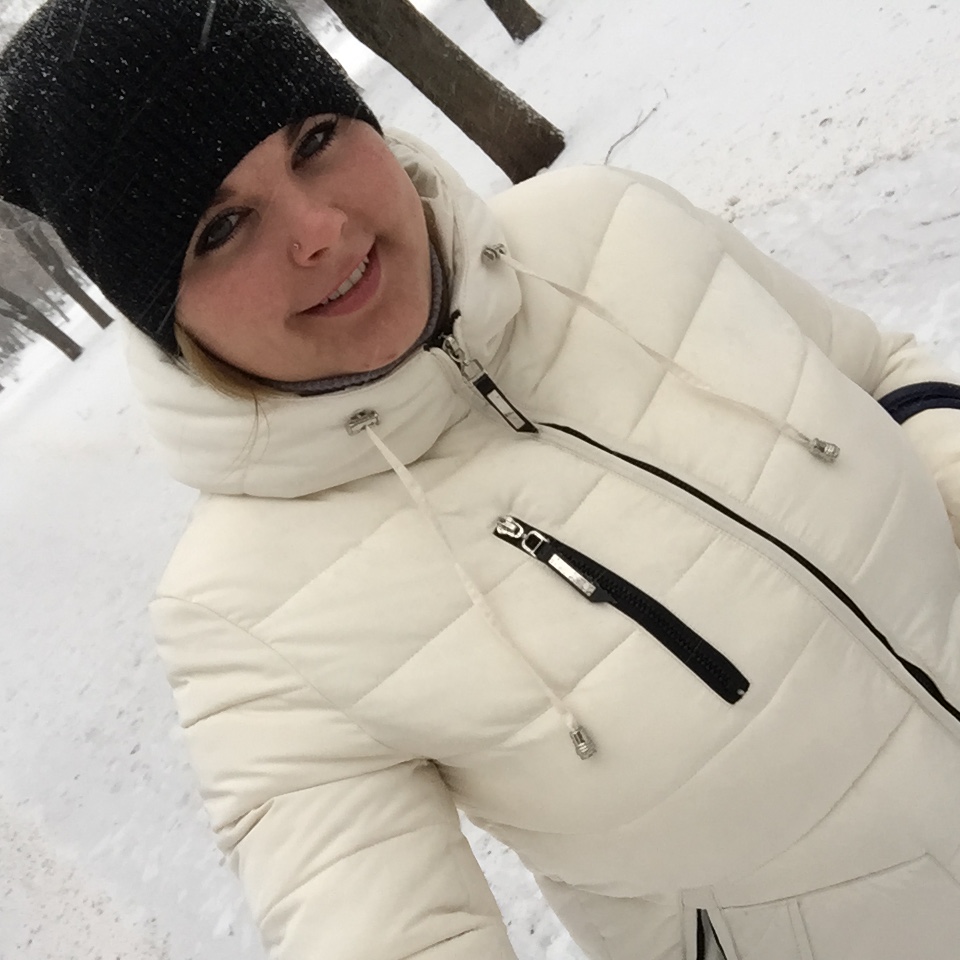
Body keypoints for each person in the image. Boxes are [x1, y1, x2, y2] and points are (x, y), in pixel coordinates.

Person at [3, 1, 960, 958]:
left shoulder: (607, 225)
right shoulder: (242, 616)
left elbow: (882, 375)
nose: (320, 229)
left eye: (316, 140)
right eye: (221, 227)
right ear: (164, 315)